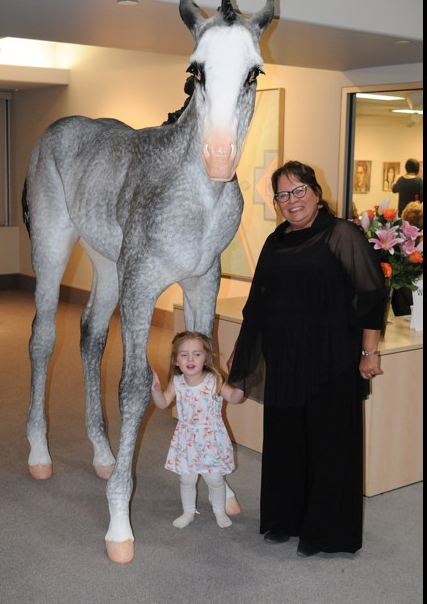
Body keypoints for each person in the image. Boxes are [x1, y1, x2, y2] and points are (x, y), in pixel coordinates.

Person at [225, 160, 387, 557]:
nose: (292, 201)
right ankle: (285, 519)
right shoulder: (275, 240)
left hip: (331, 360)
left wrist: (369, 351)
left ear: (316, 192)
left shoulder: (341, 234)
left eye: (299, 191)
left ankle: (325, 532)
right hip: (284, 359)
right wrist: (243, 349)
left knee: (328, 444)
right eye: (283, 194)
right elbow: (257, 303)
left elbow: (371, 297)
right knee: (285, 441)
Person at [150, 331, 245, 529]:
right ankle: (188, 512)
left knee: (215, 479)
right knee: (187, 479)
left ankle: (219, 510)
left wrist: (243, 385)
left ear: (206, 358)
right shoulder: (177, 382)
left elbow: (234, 398)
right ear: (176, 361)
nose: (190, 359)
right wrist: (156, 391)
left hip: (211, 438)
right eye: (184, 355)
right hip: (188, 439)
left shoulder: (214, 380)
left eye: (197, 354)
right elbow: (163, 403)